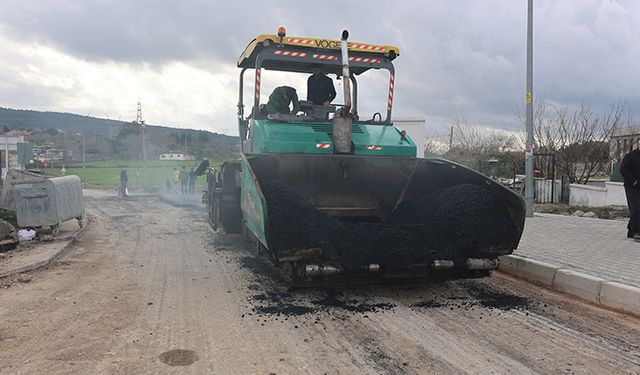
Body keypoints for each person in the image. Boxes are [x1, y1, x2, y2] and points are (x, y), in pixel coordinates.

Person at [620, 143, 640, 240]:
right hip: (631, 187)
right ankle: (636, 231)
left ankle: (630, 230)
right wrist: (634, 181)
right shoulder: (630, 156)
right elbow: (623, 170)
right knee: (636, 208)